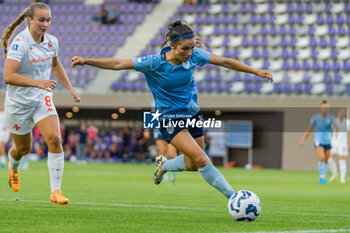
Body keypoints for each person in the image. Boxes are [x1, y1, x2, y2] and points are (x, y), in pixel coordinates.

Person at [71, 20, 273, 199]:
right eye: (185, 48)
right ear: (172, 45)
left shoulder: (194, 57)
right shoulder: (154, 63)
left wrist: (255, 71)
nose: (190, 53)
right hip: (169, 119)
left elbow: (225, 61)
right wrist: (86, 61)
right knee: (203, 159)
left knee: (193, 164)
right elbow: (117, 64)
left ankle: (165, 165)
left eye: (192, 48)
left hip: (193, 114)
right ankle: (234, 197)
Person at [1, 2, 80, 205]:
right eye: (41, 20)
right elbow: (8, 76)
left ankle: (56, 191)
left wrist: (70, 88)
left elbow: (55, 64)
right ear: (30, 20)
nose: (45, 24)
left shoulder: (51, 41)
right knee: (23, 149)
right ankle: (14, 166)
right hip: (18, 104)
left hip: (41, 98)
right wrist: (38, 82)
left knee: (54, 138)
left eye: (48, 20)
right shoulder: (20, 43)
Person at [299, 100, 338, 184]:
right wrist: (303, 139)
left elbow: (336, 128)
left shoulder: (331, 118)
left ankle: (323, 177)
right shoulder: (315, 117)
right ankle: (321, 178)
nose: (325, 109)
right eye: (323, 107)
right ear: (321, 108)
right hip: (318, 141)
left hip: (328, 141)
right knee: (321, 158)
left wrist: (336, 134)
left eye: (326, 108)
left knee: (326, 160)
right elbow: (309, 129)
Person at [328, 109, 350, 183]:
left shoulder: (347, 122)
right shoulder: (334, 121)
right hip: (334, 143)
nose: (341, 114)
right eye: (340, 113)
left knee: (342, 160)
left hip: (343, 144)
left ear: (344, 114)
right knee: (329, 159)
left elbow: (349, 133)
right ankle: (335, 174)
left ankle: (342, 178)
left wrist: (349, 143)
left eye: (343, 113)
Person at [0, 103, 10, 168]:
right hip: (0, 132)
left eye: (2, 105)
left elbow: (10, 122)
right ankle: (3, 161)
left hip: (5, 133)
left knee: (1, 145)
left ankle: (3, 162)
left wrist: (6, 127)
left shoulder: (6, 114)